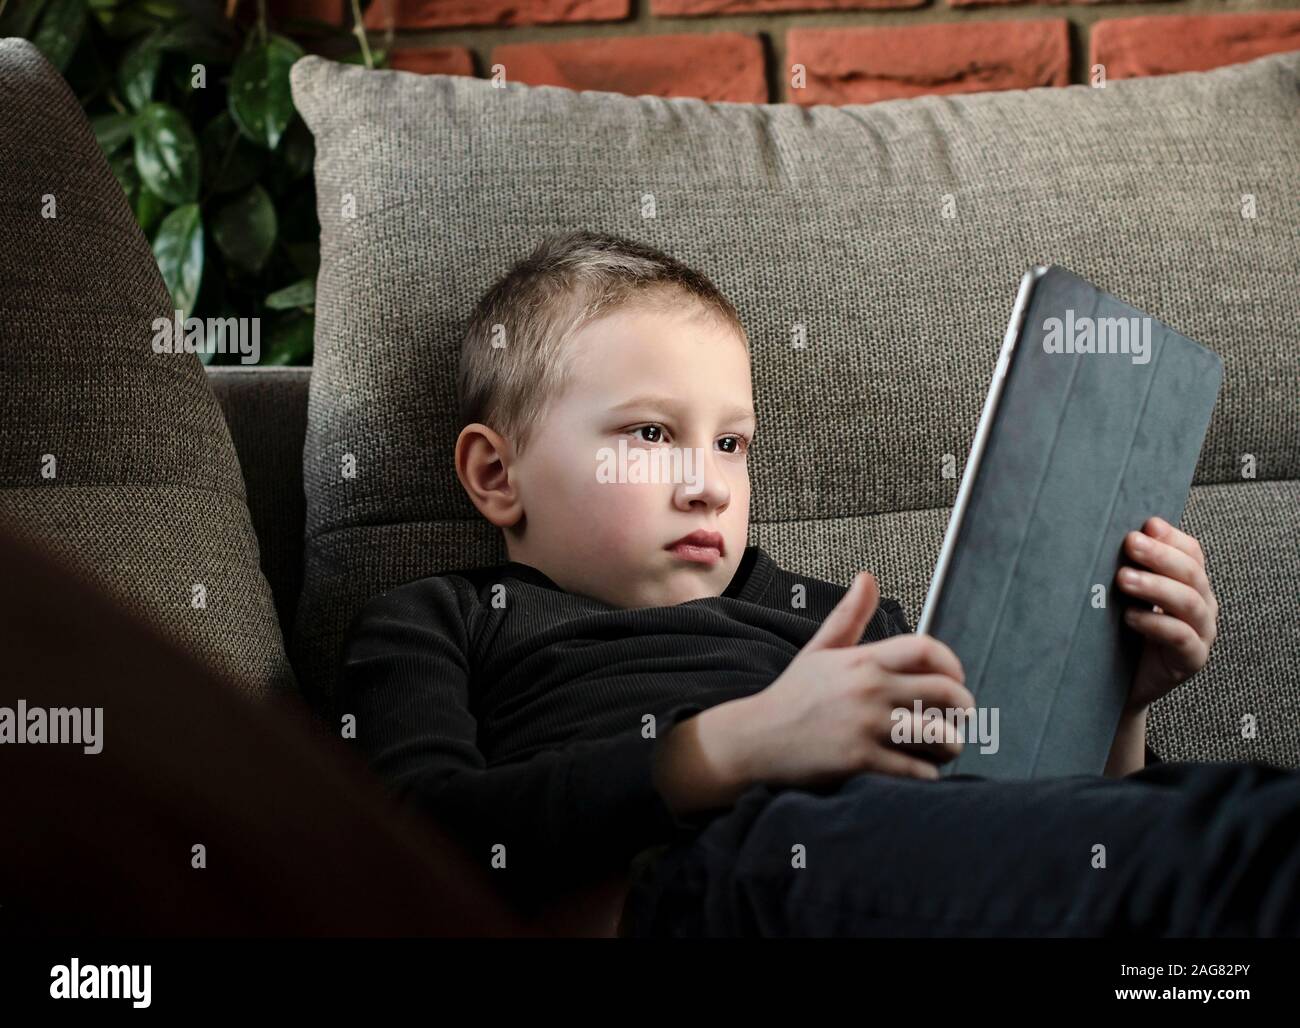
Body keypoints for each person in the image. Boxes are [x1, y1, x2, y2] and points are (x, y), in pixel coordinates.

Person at [340, 230, 1298, 937]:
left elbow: (1038, 829)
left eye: (730, 442)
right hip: (713, 885)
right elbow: (408, 845)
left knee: (1216, 856)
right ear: (496, 476)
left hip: (927, 868)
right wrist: (729, 748)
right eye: (649, 433)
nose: (707, 480)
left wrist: (1116, 699)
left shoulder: (824, 614)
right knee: (1238, 853)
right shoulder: (440, 621)